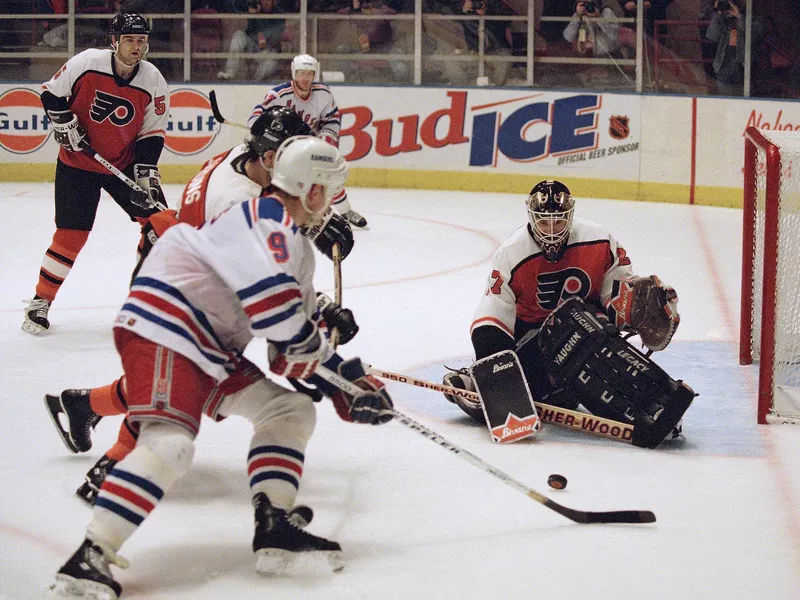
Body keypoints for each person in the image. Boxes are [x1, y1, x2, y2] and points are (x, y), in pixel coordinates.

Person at [48, 136, 395, 599]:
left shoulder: (295, 248)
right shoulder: (265, 221)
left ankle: (274, 523)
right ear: (312, 191)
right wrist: (338, 375)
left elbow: (284, 357)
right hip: (168, 326)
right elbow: (278, 319)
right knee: (170, 444)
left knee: (290, 412)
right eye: (330, 190)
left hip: (208, 348)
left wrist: (343, 386)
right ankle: (90, 555)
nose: (331, 202)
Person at [44, 105, 356, 506]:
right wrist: (317, 312)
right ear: (267, 158)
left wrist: (310, 219)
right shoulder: (236, 200)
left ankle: (82, 404)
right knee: (185, 379)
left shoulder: (240, 161)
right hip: (179, 296)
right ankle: (112, 470)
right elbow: (263, 283)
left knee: (179, 378)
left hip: (176, 273)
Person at [441, 180, 687, 442]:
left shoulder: (599, 239)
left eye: (557, 221)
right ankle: (481, 384)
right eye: (543, 222)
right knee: (564, 337)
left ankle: (654, 404)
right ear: (531, 217)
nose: (550, 229)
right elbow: (493, 313)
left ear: (569, 215)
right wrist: (495, 368)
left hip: (588, 328)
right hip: (533, 337)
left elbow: (618, 291)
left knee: (589, 334)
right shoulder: (512, 253)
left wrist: (639, 303)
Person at [22, 13, 170, 336]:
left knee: (162, 227)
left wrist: (145, 173)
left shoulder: (153, 80)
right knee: (70, 236)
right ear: (114, 41)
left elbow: (152, 133)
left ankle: (147, 302)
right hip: (78, 164)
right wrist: (63, 121)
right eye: (130, 40)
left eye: (142, 40)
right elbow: (50, 93)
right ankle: (40, 301)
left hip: (125, 163)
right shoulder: (87, 63)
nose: (137, 47)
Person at [248, 54, 369, 228]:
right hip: (284, 147)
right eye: (301, 73)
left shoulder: (323, 93)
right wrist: (268, 133)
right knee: (277, 179)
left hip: (311, 142)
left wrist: (326, 139)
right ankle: (272, 213)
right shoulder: (279, 95)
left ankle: (345, 211)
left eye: (310, 73)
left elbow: (332, 118)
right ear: (293, 73)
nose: (305, 78)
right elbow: (255, 118)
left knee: (326, 173)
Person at [333, 0, 410, 83]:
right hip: (363, 47)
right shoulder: (357, 12)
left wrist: (374, 12)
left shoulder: (383, 10)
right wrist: (359, 11)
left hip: (384, 48)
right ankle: (347, 80)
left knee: (401, 68)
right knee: (342, 49)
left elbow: (393, 13)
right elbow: (340, 13)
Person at [216, 0, 291, 81]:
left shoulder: (279, 13)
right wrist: (252, 10)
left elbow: (271, 34)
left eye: (269, 0)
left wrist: (258, 16)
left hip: (269, 50)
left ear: (273, 1)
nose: (266, 2)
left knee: (271, 64)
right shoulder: (254, 7)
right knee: (238, 35)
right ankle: (230, 73)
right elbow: (236, 6)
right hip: (252, 46)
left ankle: (253, 83)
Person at [704, 0, 768, 94]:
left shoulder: (758, 18)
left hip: (745, 72)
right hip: (724, 69)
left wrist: (740, 16)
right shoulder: (726, 17)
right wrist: (718, 14)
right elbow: (712, 36)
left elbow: (753, 36)